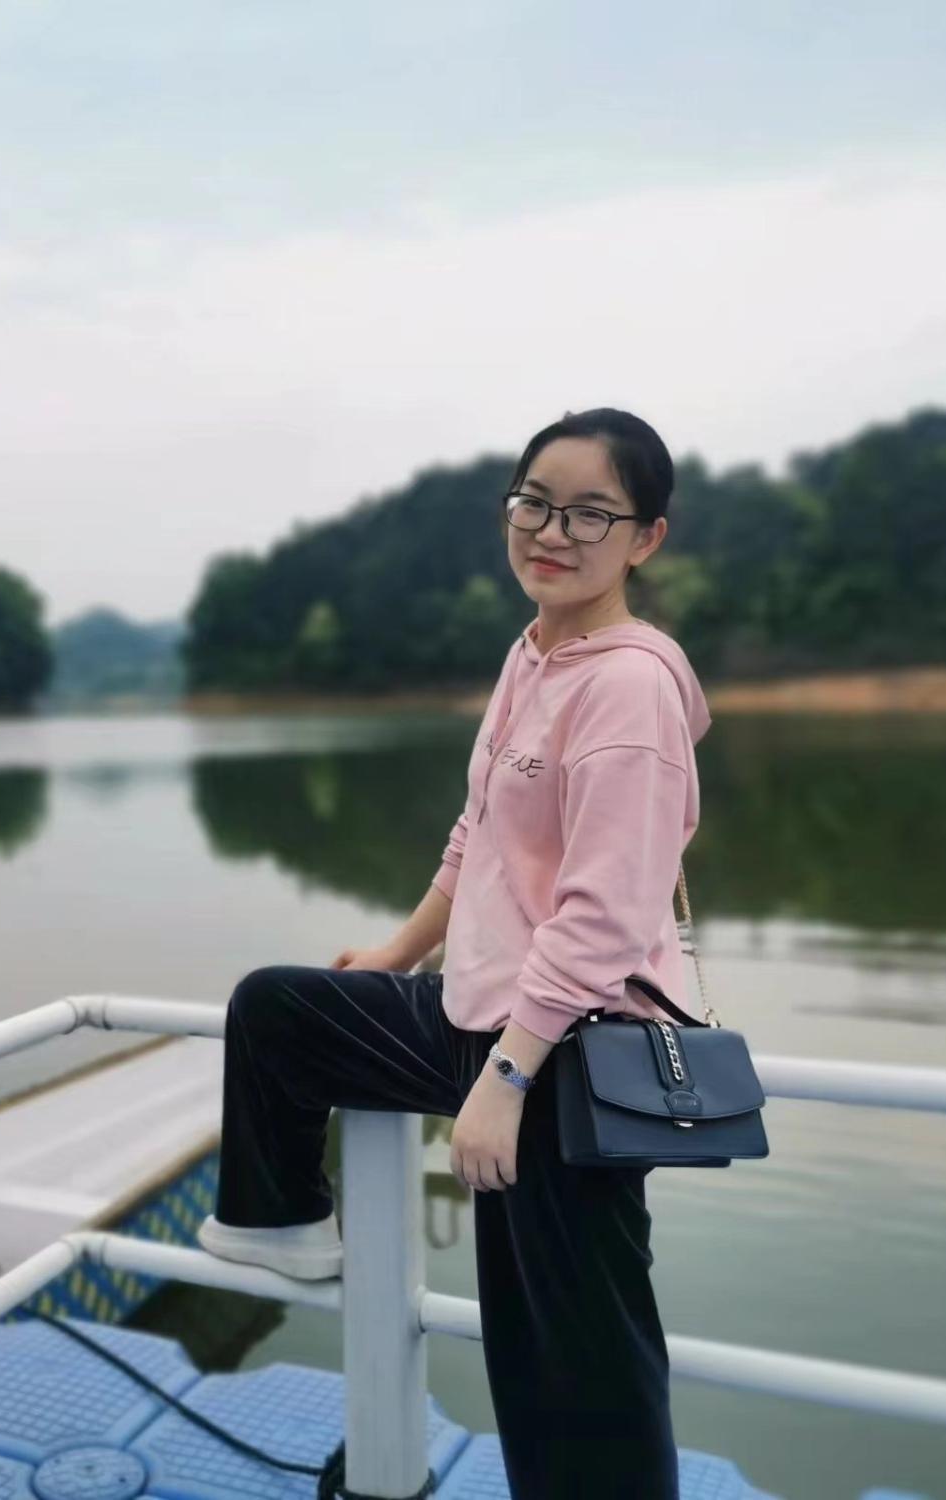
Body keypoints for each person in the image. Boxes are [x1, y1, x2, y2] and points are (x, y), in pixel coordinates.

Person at [197, 408, 711, 1497]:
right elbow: (477, 832)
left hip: (569, 1052)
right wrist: (396, 952)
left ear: (644, 539)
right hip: (475, 1016)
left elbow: (604, 915)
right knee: (280, 1012)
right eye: (534, 502)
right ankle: (286, 1223)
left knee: (573, 1360)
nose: (551, 531)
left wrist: (507, 1078)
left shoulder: (627, 686)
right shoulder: (533, 654)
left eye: (589, 513)